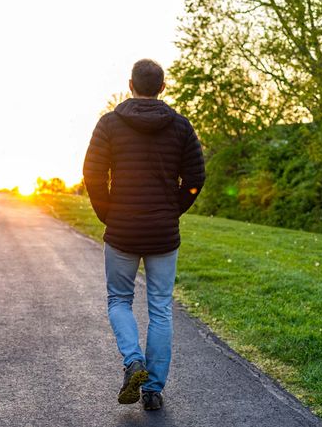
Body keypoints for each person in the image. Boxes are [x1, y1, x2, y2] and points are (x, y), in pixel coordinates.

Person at [82, 59, 206, 411]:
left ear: (130, 85)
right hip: (163, 234)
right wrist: (172, 209)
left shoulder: (109, 123)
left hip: (122, 229)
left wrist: (108, 213)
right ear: (162, 87)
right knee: (160, 308)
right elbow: (195, 180)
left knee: (119, 300)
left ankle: (133, 360)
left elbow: (92, 174)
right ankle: (152, 389)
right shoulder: (181, 126)